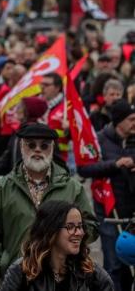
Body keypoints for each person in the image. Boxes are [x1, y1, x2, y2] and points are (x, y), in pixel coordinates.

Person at [0, 123, 98, 279]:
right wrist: (2, 265)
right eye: (31, 145)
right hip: (18, 278)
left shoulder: (72, 187)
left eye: (44, 145)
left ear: (52, 148)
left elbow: (90, 227)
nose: (37, 150)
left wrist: (71, 256)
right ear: (21, 147)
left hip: (62, 277)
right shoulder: (2, 188)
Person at [78, 99, 135, 291]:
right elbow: (84, 168)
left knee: (131, 265)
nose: (134, 123)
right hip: (110, 215)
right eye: (131, 119)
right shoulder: (99, 140)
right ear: (118, 121)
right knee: (114, 266)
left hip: (132, 213)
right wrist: (115, 164)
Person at [0, 200, 113, 291]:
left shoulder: (92, 273)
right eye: (70, 227)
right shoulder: (21, 272)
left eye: (80, 226)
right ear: (51, 231)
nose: (79, 233)